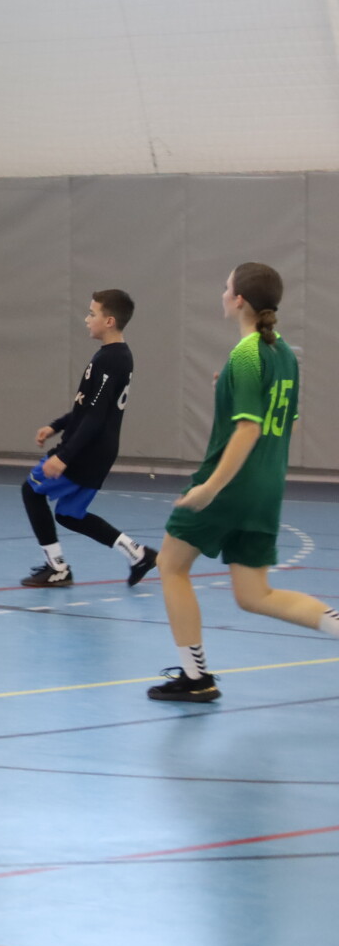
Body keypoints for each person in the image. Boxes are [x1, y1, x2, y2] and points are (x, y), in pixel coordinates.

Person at [151, 262, 339, 703]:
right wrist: (228, 387)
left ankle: (196, 677)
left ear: (239, 300)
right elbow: (287, 423)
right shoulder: (283, 352)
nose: (222, 294)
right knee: (255, 595)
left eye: (225, 287)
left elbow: (249, 429)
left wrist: (210, 488)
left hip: (231, 484)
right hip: (267, 488)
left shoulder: (246, 353)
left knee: (171, 566)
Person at [19, 289, 157, 588]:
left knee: (31, 491)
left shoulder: (112, 359)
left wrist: (63, 456)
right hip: (99, 449)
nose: (87, 318)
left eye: (92, 313)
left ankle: (57, 568)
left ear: (109, 321)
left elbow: (94, 417)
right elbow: (89, 408)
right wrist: (56, 426)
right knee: (70, 514)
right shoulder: (114, 356)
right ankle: (138, 555)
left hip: (87, 450)